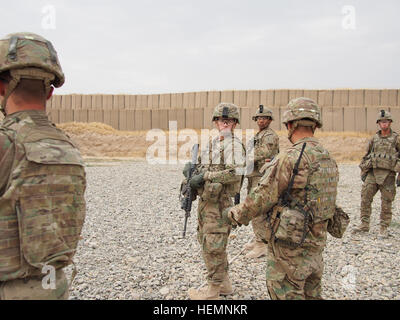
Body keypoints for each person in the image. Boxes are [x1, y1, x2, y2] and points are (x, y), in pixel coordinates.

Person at [223, 97, 340, 300]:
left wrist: (235, 214)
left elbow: (262, 196)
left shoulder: (292, 157)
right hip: (316, 248)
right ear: (316, 125)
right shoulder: (327, 156)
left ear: (290, 125)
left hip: (290, 250)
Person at [0, 32, 86, 299]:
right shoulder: (68, 147)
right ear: (49, 93)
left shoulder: (6, 142)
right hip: (54, 286)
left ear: (2, 88)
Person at [183, 102, 245, 300]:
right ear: (215, 122)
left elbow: (236, 173)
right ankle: (225, 284)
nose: (223, 123)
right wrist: (192, 170)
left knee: (214, 246)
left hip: (221, 204)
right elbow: (201, 166)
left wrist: (206, 176)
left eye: (228, 120)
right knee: (207, 241)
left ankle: (212, 291)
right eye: (220, 119)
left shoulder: (234, 146)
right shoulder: (213, 143)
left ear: (235, 123)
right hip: (207, 202)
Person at [355, 110, 400, 238]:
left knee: (386, 202)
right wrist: (364, 171)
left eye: (386, 121)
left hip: (388, 175)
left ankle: (383, 227)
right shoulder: (374, 138)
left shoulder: (396, 139)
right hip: (373, 173)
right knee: (365, 198)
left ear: (390, 122)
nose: (384, 124)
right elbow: (366, 155)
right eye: (381, 122)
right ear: (378, 124)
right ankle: (364, 224)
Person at [244, 105, 279, 259]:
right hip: (255, 175)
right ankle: (259, 238)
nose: (261, 120)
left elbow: (265, 152)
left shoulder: (269, 136)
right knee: (255, 208)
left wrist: (245, 156)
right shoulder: (260, 135)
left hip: (262, 176)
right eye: (258, 118)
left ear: (270, 120)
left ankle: (262, 244)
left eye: (264, 118)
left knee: (257, 209)